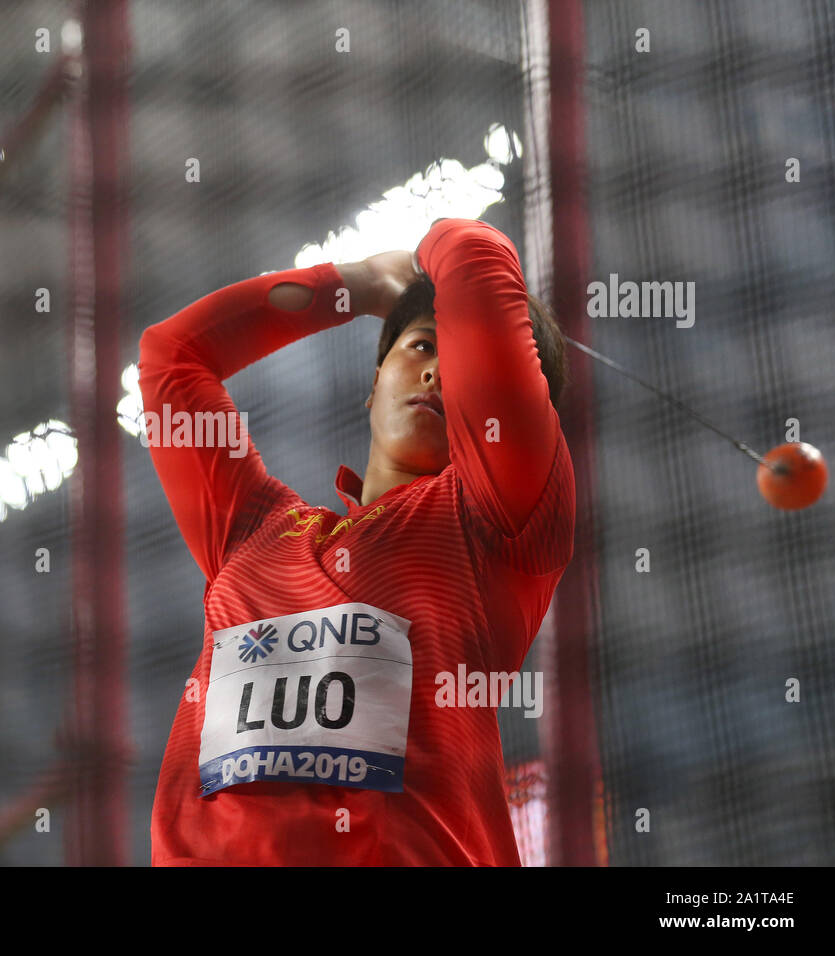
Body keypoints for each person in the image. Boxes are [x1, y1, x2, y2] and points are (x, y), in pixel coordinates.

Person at [137, 217, 575, 865]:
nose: (438, 374)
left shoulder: (495, 526)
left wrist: (433, 255)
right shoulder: (251, 530)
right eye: (422, 347)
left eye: (463, 362)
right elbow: (173, 356)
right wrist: (358, 286)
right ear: (373, 386)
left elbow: (475, 252)